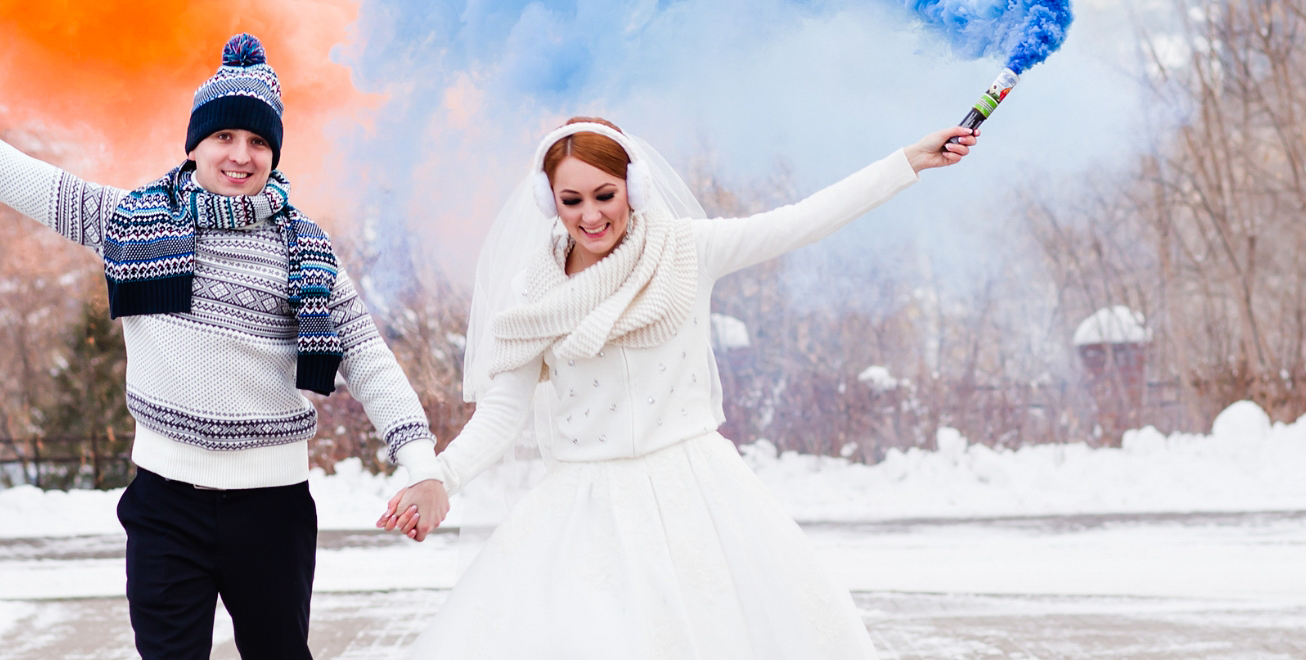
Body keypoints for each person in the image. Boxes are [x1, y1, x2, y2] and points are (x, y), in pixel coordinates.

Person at [0, 34, 444, 660]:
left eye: (259, 141)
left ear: (274, 154)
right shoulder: (133, 222)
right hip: (165, 507)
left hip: (272, 512)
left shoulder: (307, 255)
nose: (241, 155)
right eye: (225, 137)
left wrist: (422, 466)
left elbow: (369, 358)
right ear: (196, 144)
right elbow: (23, 177)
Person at [377, 115, 976, 659]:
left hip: (699, 494)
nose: (591, 215)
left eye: (605, 195)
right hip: (584, 507)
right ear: (549, 202)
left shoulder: (685, 250)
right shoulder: (532, 295)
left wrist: (907, 162)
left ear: (632, 188)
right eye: (572, 200)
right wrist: (439, 477)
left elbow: (800, 223)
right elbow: (502, 414)